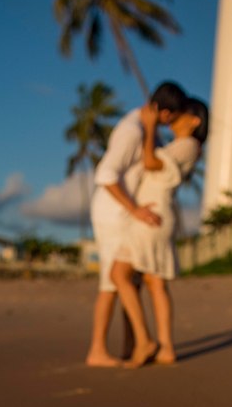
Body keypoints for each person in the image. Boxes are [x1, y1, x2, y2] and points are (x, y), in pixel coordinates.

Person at [86, 82, 188, 367]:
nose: (172, 124)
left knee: (130, 282)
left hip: (128, 215)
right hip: (113, 214)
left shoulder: (147, 131)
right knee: (111, 281)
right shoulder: (132, 131)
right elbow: (105, 174)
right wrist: (135, 209)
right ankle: (98, 350)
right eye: (173, 117)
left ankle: (132, 345)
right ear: (164, 112)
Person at [111, 97, 208, 366]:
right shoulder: (182, 146)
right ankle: (165, 348)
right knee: (155, 282)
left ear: (195, 120)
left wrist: (150, 126)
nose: (176, 116)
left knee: (118, 274)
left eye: (184, 113)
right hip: (159, 214)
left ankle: (144, 340)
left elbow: (151, 162)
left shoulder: (189, 145)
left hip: (152, 215)